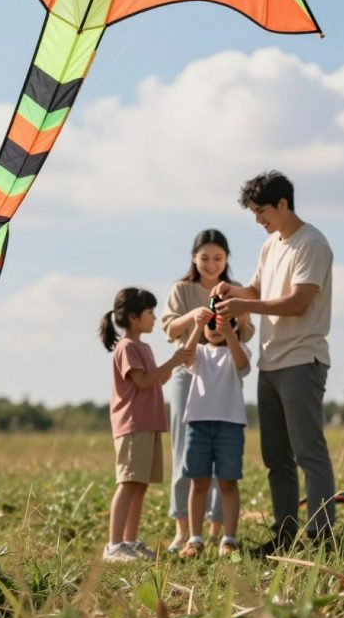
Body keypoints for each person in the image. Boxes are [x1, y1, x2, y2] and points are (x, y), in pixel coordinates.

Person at [214, 170, 336, 556]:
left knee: (308, 454)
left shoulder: (311, 244)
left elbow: (298, 303)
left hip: (302, 360)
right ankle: (285, 537)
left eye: (261, 210)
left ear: (283, 204)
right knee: (276, 458)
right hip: (270, 365)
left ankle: (320, 538)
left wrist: (244, 304)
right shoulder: (272, 246)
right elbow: (257, 290)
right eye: (253, 212)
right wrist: (230, 290)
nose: (257, 219)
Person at [162, 229, 254, 552]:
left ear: (226, 259)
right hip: (188, 370)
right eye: (205, 258)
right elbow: (169, 328)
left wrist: (236, 316)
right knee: (185, 454)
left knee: (223, 461)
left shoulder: (233, 291)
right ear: (194, 258)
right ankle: (183, 529)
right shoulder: (182, 289)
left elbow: (247, 333)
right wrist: (194, 318)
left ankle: (218, 528)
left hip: (224, 370)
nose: (211, 264)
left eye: (218, 258)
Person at [99, 287, 190, 562]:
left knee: (140, 484)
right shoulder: (127, 348)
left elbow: (156, 379)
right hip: (132, 425)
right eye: (150, 312)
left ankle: (129, 541)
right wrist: (174, 361)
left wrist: (173, 365)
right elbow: (142, 382)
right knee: (128, 483)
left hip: (148, 424)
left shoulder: (143, 347)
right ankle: (114, 546)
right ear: (134, 317)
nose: (154, 317)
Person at [179, 301, 251, 558]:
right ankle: (195, 539)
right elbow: (185, 359)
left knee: (228, 482)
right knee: (198, 483)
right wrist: (197, 326)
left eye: (222, 322)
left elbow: (242, 366)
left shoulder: (238, 349)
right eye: (212, 324)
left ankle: (229, 539)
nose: (215, 328)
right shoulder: (198, 351)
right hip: (198, 424)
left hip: (230, 425)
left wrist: (231, 333)